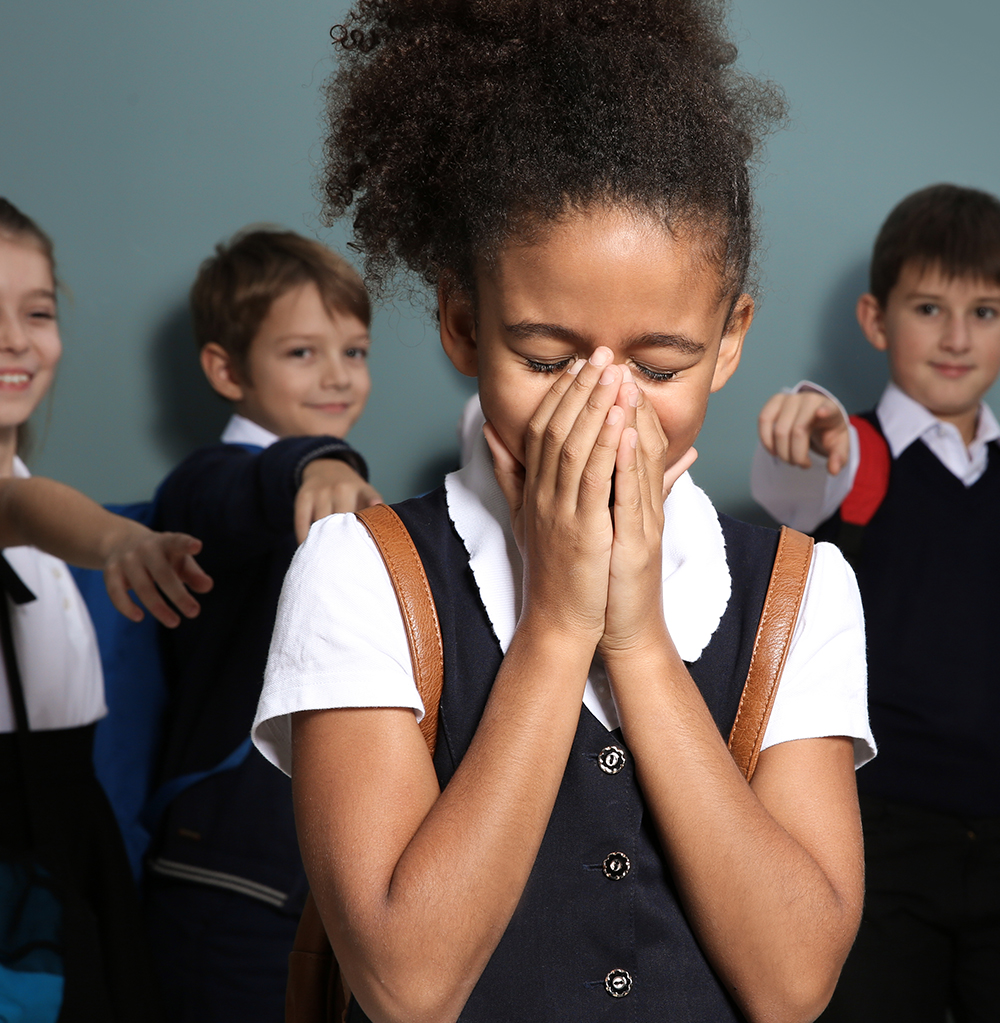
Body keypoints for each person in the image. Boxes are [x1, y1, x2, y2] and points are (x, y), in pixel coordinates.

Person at [252, 3, 875, 1021]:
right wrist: (556, 620)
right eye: (547, 358)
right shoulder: (360, 571)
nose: (606, 404)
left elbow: (794, 985)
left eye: (660, 365)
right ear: (462, 321)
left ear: (729, 341)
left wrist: (636, 639)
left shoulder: (801, 592)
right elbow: (407, 986)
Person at [752, 183, 1000, 1023]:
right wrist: (812, 416)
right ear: (876, 319)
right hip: (879, 835)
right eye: (930, 308)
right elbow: (795, 479)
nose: (958, 338)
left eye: (985, 312)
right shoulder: (853, 453)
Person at [143, 227, 380, 1022]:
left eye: (354, 351)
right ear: (226, 369)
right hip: (224, 876)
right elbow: (246, 491)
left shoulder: (339, 494)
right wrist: (317, 463)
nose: (338, 375)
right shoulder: (206, 486)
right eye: (302, 353)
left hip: (315, 879)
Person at [0, 196, 212, 1022]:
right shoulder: (26, 500)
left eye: (38, 312)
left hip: (67, 823)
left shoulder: (21, 479)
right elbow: (21, 511)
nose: (17, 339)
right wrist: (119, 539)